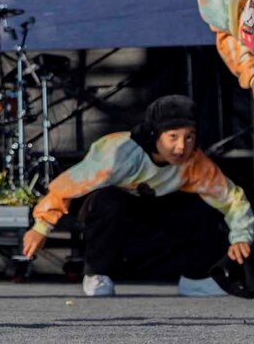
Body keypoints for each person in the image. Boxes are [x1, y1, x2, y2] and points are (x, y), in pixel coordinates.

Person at [22, 96, 253, 297]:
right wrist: (41, 227)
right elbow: (68, 185)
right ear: (155, 134)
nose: (181, 146)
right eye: (173, 137)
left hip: (156, 211)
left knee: (199, 205)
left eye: (189, 137)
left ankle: (195, 278)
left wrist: (241, 237)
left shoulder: (194, 162)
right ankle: (98, 274)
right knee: (109, 200)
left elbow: (232, 199)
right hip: (115, 213)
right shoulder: (120, 152)